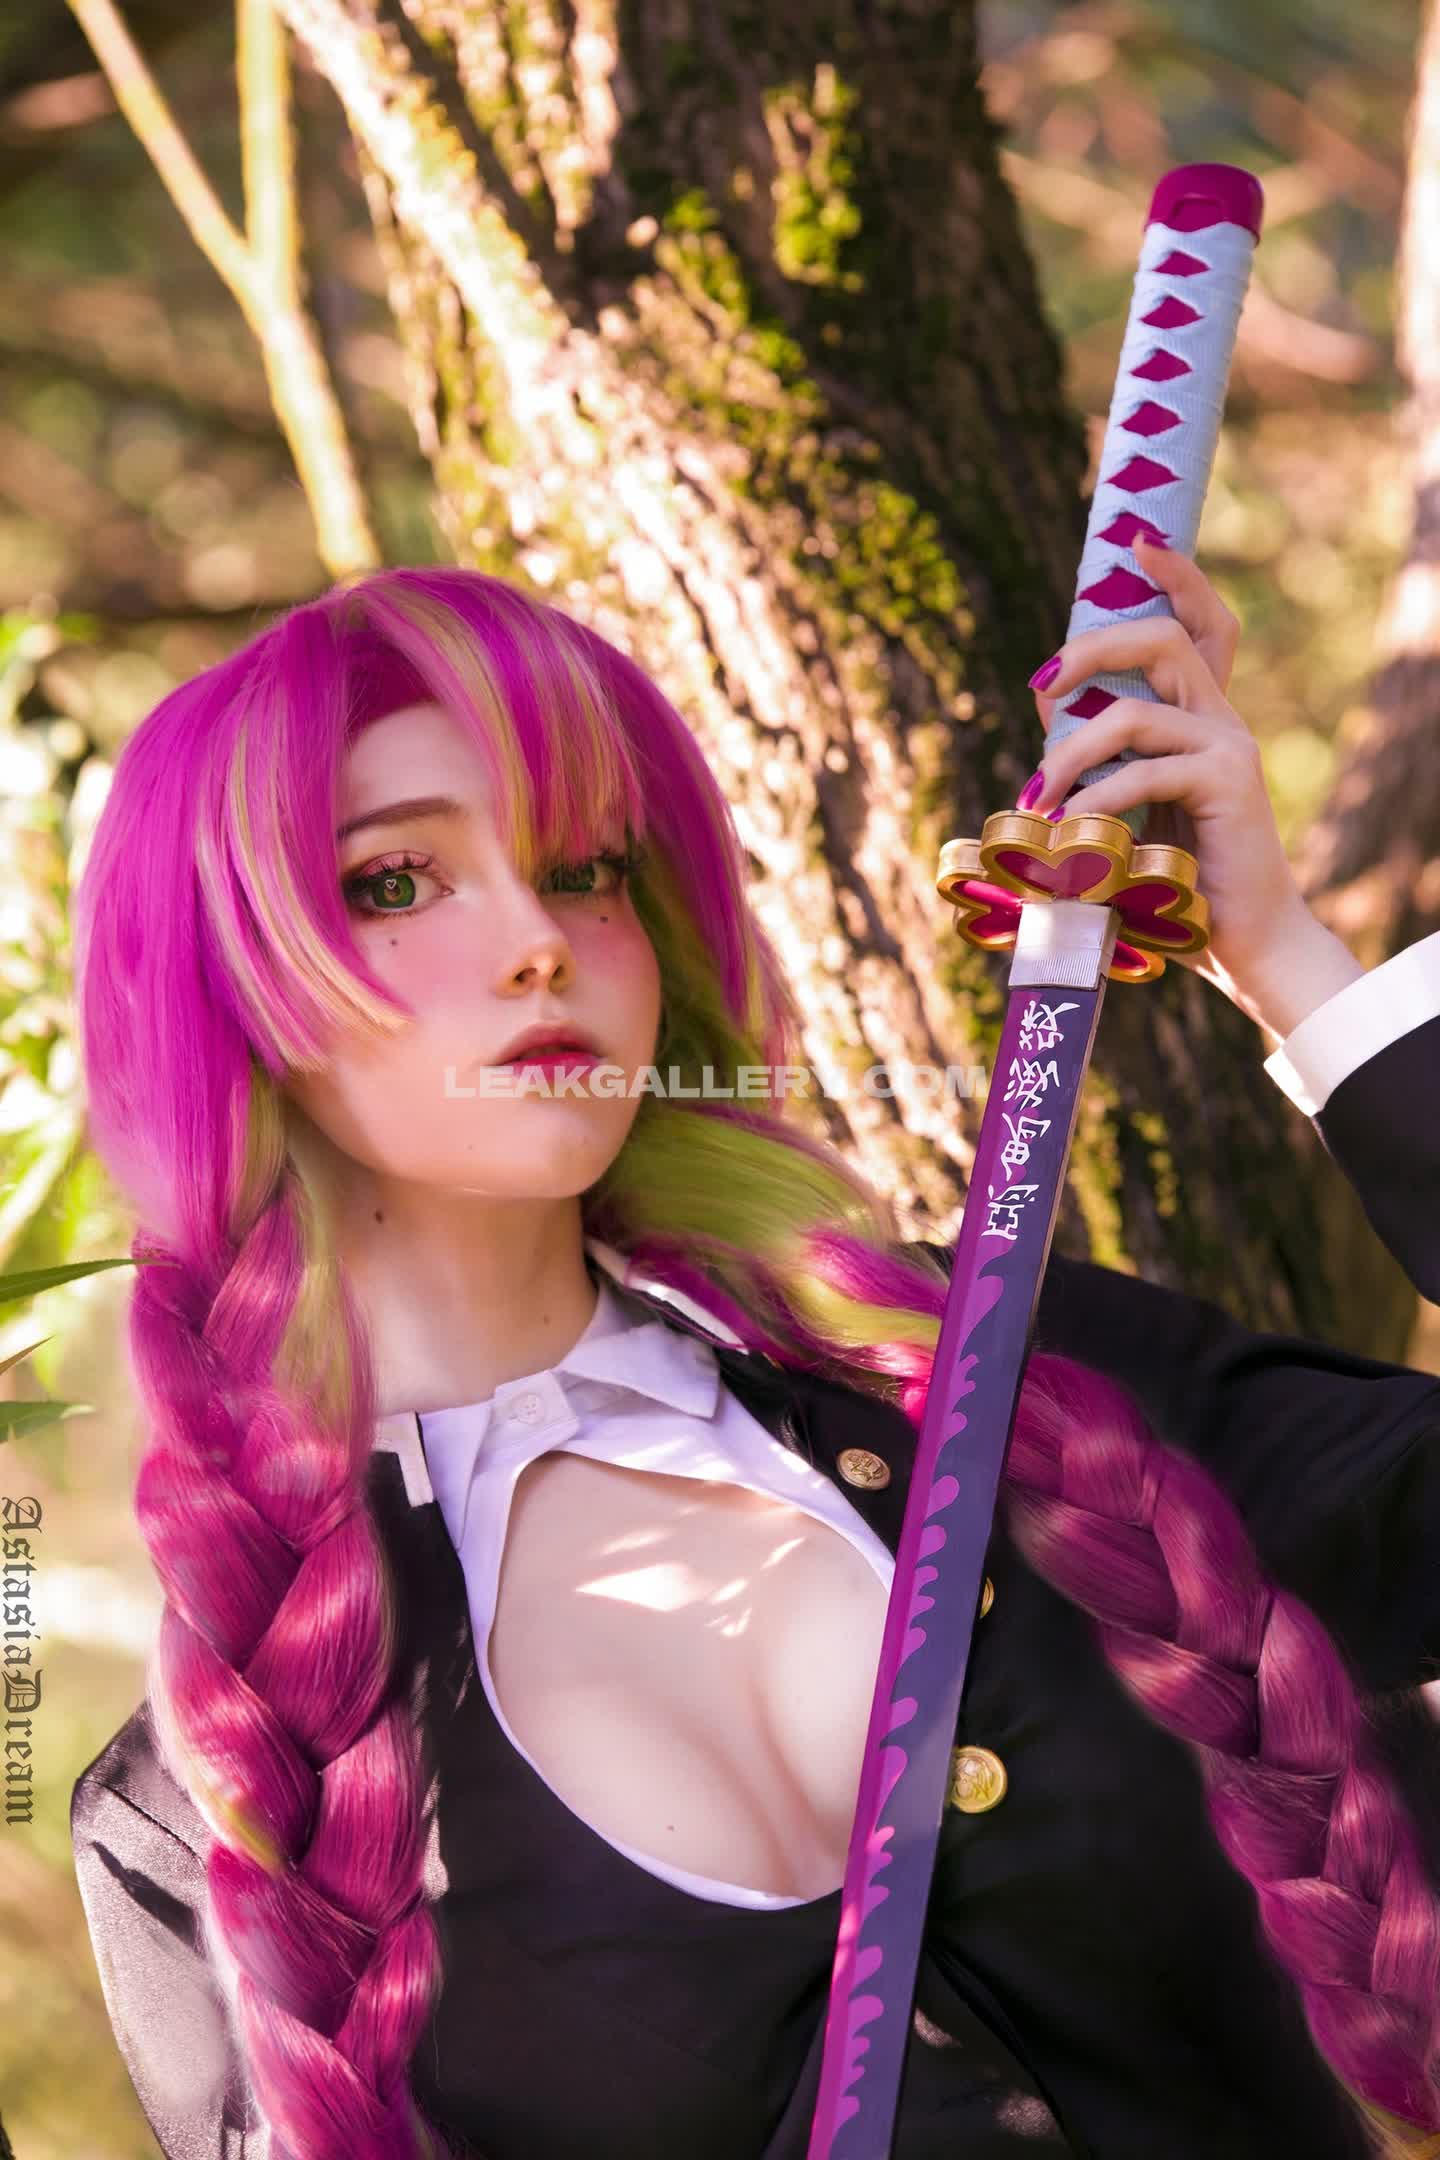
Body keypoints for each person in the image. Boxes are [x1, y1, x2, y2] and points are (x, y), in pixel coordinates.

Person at [66, 553, 1440, 2160]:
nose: (538, 942)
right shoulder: (211, 1802)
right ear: (226, 989)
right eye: (397, 883)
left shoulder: (1004, 1375)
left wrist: (1291, 963)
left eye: (584, 868)